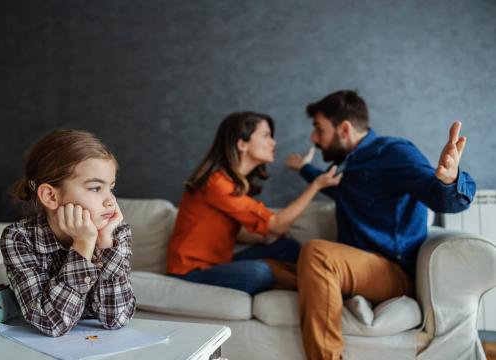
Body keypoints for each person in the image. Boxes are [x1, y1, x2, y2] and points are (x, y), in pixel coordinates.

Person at [285, 90, 476, 359]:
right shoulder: (349, 166)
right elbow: (339, 190)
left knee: (316, 253)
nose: (313, 138)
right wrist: (304, 170)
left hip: (391, 270)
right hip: (356, 267)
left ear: (345, 128)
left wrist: (449, 180)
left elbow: (441, 199)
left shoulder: (392, 152)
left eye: (318, 128)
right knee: (272, 264)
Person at [166, 111, 341, 295]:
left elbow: (228, 231)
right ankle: (318, 282)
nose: (273, 142)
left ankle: (315, 279)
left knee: (287, 247)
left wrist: (265, 237)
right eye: (266, 136)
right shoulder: (216, 184)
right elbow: (277, 225)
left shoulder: (234, 184)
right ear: (242, 144)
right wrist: (317, 185)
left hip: (220, 265)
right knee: (259, 273)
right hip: (189, 273)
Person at [1, 129, 135, 337]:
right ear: (50, 196)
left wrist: (105, 243)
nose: (110, 200)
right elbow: (50, 324)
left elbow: (117, 318)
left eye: (111, 188)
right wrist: (83, 245)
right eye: (95, 188)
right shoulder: (19, 238)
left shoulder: (115, 234)